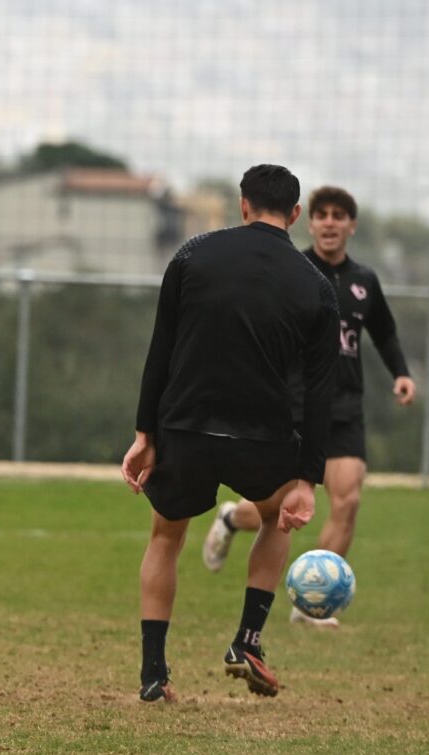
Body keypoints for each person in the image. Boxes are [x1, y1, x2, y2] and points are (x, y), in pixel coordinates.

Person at [120, 165, 339, 701]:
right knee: (277, 519)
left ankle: (154, 674)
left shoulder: (192, 255)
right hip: (261, 439)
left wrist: (145, 433)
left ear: (243, 205)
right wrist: (307, 480)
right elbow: (320, 395)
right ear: (294, 216)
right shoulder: (315, 286)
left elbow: (160, 351)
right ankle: (247, 639)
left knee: (166, 536)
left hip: (184, 426)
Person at [202, 186, 415, 628]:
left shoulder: (364, 282)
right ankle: (230, 518)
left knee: (347, 500)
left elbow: (385, 333)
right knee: (276, 507)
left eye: (340, 215)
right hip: (293, 406)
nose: (331, 222)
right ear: (309, 221)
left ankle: (312, 602)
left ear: (351, 225)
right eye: (322, 215)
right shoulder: (292, 270)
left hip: (345, 407)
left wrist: (401, 373)